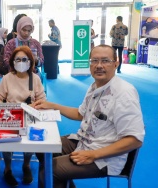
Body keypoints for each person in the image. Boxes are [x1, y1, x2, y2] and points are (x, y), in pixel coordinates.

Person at [32, 44, 145, 188]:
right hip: (84, 141)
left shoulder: (124, 93)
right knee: (43, 148)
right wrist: (52, 105)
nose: (99, 65)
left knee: (49, 172)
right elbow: (81, 114)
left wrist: (94, 155)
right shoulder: (95, 87)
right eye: (94, 61)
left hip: (104, 157)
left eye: (105, 61)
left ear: (116, 64)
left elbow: (135, 140)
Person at [0, 46, 46, 187]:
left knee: (31, 138)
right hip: (10, 117)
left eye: (24, 59)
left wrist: (34, 106)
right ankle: (7, 169)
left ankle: (26, 165)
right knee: (5, 139)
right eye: (18, 59)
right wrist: (5, 110)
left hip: (30, 116)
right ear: (13, 62)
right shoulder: (7, 78)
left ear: (30, 62)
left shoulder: (34, 79)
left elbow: (42, 100)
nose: (21, 62)